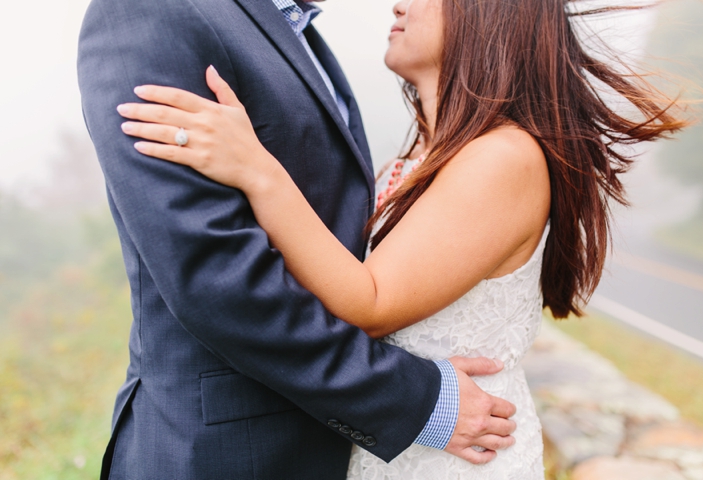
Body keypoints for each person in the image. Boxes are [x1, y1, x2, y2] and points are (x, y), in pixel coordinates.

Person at [116, 0, 688, 478]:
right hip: (399, 447)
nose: (398, 3)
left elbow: (370, 303)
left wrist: (257, 170)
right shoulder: (421, 155)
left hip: (457, 457)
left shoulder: (504, 157)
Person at [78, 0, 521, 478]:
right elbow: (214, 274)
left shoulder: (301, 34)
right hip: (226, 452)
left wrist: (258, 170)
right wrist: (416, 400)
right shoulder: (153, 11)